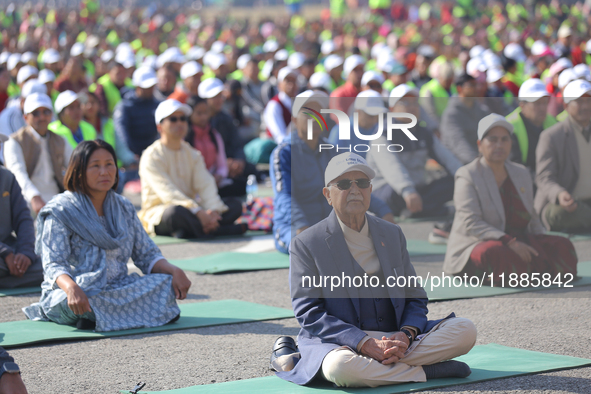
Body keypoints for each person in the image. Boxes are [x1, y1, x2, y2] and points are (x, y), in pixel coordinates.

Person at [272, 151, 477, 387]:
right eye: (344, 184)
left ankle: (385, 366)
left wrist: (406, 335)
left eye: (362, 183)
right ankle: (428, 371)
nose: (355, 189)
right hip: (342, 344)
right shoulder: (307, 243)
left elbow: (414, 296)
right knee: (340, 368)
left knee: (465, 330)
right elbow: (309, 312)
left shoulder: (391, 233)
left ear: (370, 190)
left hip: (397, 339)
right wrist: (364, 343)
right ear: (328, 194)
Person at [23, 138, 190, 331]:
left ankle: (102, 317)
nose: (104, 172)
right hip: (79, 290)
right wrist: (71, 288)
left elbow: (147, 254)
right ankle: (102, 314)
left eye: (109, 164)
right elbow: (54, 264)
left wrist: (173, 270)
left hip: (119, 288)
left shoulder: (124, 207)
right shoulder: (61, 210)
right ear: (79, 171)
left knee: (164, 284)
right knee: (78, 300)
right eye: (95, 166)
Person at [444, 114, 577, 285]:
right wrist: (509, 242)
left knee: (561, 244)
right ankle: (532, 273)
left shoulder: (521, 172)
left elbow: (532, 214)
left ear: (510, 143)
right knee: (494, 252)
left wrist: (541, 243)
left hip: (520, 239)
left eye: (504, 139)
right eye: (492, 139)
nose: (499, 145)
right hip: (479, 243)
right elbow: (472, 222)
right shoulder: (467, 175)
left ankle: (531, 272)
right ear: (480, 145)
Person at [270, 90, 394, 254]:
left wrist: (385, 211)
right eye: (308, 113)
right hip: (293, 226)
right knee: (308, 249)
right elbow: (284, 197)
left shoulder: (332, 152)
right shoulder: (283, 153)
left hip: (330, 226)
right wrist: (302, 227)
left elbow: (355, 185)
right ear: (294, 120)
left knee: (379, 243)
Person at [138, 99, 245, 239]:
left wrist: (213, 211)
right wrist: (197, 211)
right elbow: (168, 193)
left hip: (193, 210)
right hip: (163, 210)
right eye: (173, 119)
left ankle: (197, 229)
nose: (180, 123)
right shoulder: (151, 156)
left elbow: (206, 184)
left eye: (183, 119)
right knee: (174, 213)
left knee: (235, 205)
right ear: (160, 126)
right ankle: (219, 230)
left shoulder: (192, 153)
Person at [369, 84, 461, 219]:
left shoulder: (424, 133)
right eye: (405, 103)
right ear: (392, 109)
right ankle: (430, 209)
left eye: (415, 103)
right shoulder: (382, 133)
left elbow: (449, 160)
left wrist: (467, 179)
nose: (412, 107)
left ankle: (417, 210)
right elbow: (392, 168)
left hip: (417, 189)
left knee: (457, 181)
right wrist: (408, 191)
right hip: (388, 189)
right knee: (395, 193)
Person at [535, 79, 591, 233]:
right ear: (566, 106)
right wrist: (559, 193)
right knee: (559, 214)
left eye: (588, 100)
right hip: (568, 203)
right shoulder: (551, 136)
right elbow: (544, 177)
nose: (585, 106)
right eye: (579, 101)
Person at [4, 93, 72, 214]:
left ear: (51, 115)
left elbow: (75, 165)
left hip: (57, 199)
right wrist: (34, 197)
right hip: (25, 202)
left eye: (46, 112)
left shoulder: (60, 140)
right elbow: (18, 174)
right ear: (25, 118)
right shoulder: (15, 141)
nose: (42, 117)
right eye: (35, 113)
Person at [0, 132, 43, 289]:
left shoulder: (7, 177)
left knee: (48, 267)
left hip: (9, 252)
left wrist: (25, 253)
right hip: (5, 254)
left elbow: (23, 218)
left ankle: (9, 277)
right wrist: (5, 253)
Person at [186, 95, 246, 197]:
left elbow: (221, 164)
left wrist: (218, 176)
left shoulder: (214, 134)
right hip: (194, 185)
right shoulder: (185, 137)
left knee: (240, 186)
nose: (203, 117)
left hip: (214, 181)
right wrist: (207, 181)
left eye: (205, 113)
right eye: (199, 113)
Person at [505, 79, 556, 173]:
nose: (542, 108)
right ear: (522, 106)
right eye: (537, 103)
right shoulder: (509, 127)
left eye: (544, 102)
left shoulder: (554, 122)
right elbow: (514, 166)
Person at [440, 73, 490, 164]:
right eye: (471, 85)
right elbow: (459, 144)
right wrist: (478, 163)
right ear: (459, 89)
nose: (476, 89)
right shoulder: (451, 115)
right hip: (459, 163)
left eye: (476, 85)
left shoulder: (482, 110)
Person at [113, 66, 161, 158]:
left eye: (152, 86)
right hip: (133, 158)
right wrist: (132, 155)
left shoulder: (157, 105)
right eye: (147, 87)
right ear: (137, 86)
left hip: (155, 155)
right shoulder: (124, 107)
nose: (150, 89)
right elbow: (121, 134)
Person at [264, 67, 299, 143]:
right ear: (279, 84)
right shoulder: (274, 105)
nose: (291, 84)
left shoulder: (300, 102)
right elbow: (279, 136)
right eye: (287, 81)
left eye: (293, 81)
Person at [419, 61, 455, 127]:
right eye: (447, 81)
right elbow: (429, 114)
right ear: (440, 77)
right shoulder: (428, 90)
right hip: (435, 128)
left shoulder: (453, 88)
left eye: (451, 81)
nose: (449, 83)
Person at [330, 55, 365, 120]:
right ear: (347, 73)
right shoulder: (339, 94)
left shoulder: (366, 92)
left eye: (361, 70)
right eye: (355, 70)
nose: (360, 73)